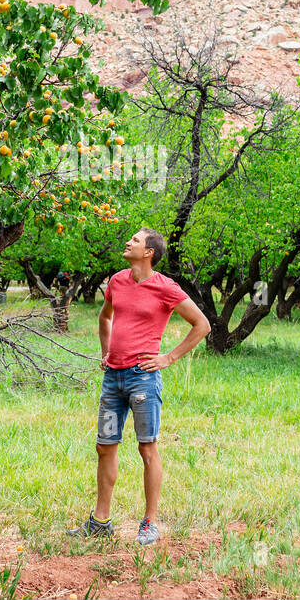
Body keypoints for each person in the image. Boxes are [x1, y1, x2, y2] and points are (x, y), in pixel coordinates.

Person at [67, 227, 210, 544]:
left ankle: (150, 523)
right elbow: (105, 318)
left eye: (135, 240)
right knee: (105, 447)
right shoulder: (117, 281)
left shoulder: (166, 288)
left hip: (143, 380)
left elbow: (202, 325)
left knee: (147, 447)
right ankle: (100, 522)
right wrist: (106, 352)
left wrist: (168, 358)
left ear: (149, 253)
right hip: (112, 382)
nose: (128, 242)